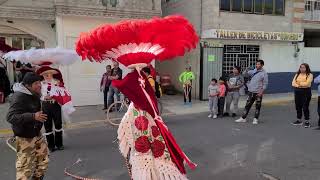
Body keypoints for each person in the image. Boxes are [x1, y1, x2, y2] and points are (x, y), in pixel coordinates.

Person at [7, 72, 49, 180]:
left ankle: (38, 177)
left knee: (43, 159)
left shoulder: (35, 93)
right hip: (25, 137)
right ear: (27, 86)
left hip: (36, 133)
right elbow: (11, 117)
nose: (39, 85)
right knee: (26, 167)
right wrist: (33, 116)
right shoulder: (19, 97)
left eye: (40, 82)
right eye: (36, 83)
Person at [38, 66, 64, 152]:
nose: (46, 76)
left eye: (48, 74)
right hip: (46, 106)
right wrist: (44, 97)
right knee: (47, 126)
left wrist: (56, 96)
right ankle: (51, 145)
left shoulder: (57, 82)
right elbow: (39, 95)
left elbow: (62, 93)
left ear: (52, 74)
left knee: (58, 124)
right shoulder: (41, 84)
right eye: (45, 74)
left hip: (55, 105)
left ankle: (59, 144)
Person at [236, 60, 268, 125]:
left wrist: (261, 92)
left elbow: (265, 84)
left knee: (257, 106)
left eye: (259, 64)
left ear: (262, 65)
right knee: (247, 105)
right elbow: (244, 74)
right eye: (256, 64)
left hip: (258, 93)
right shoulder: (254, 71)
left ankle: (255, 119)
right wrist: (247, 69)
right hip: (251, 92)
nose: (257, 65)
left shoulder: (264, 74)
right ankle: (243, 118)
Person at [292, 63, 313, 128]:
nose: (302, 69)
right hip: (297, 92)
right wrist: (299, 85)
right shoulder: (297, 74)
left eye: (303, 67)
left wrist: (299, 83)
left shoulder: (310, 75)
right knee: (298, 106)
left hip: (306, 92)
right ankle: (299, 120)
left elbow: (307, 83)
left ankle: (307, 121)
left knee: (305, 107)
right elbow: (293, 83)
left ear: (306, 68)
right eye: (301, 67)